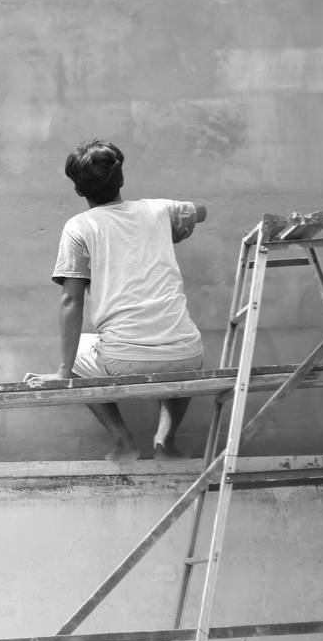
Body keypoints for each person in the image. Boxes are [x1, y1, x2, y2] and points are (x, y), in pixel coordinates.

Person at [25, 140, 208, 462]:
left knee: (77, 358)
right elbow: (201, 211)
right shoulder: (160, 210)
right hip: (188, 355)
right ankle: (165, 441)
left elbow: (71, 301)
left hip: (124, 360)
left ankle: (124, 441)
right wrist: (175, 224)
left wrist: (62, 372)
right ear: (121, 179)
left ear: (78, 190)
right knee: (178, 345)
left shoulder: (80, 227)